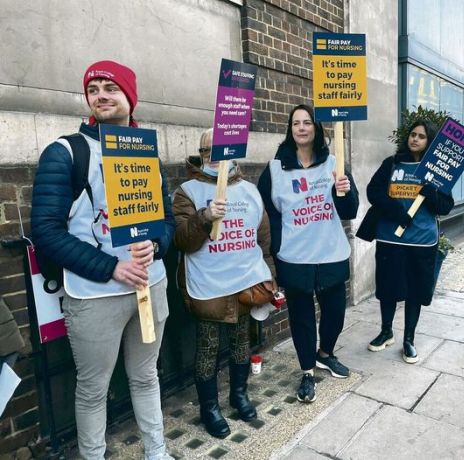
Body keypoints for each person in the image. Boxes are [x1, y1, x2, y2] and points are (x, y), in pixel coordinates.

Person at [31, 60, 175, 459]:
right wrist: (111, 267)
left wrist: (156, 244)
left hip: (150, 285)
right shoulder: (65, 152)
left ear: (130, 96)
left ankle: (157, 452)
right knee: (94, 389)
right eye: (93, 89)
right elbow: (46, 232)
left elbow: (166, 221)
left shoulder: (146, 152)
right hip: (95, 296)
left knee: (146, 376)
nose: (100, 96)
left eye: (111, 88)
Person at [173, 128, 273, 438]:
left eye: (222, 150)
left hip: (244, 285)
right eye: (208, 151)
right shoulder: (187, 192)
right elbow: (182, 241)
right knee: (208, 349)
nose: (216, 157)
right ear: (201, 154)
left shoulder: (249, 190)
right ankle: (209, 408)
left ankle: (239, 394)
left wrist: (270, 277)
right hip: (208, 287)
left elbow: (263, 242)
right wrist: (204, 217)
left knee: (242, 344)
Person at [257, 104, 359, 403]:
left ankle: (325, 354)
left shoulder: (335, 164)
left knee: (335, 314)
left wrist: (344, 190)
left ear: (316, 127)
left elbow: (350, 211)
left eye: (307, 122)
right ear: (290, 129)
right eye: (296, 123)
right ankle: (306, 372)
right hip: (294, 257)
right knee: (301, 318)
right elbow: (267, 215)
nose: (301, 128)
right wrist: (275, 251)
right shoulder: (275, 169)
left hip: (331, 253)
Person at [358, 120, 454, 364]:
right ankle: (386, 331)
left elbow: (445, 206)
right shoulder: (392, 163)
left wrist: (431, 194)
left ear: (429, 141)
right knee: (387, 288)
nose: (415, 139)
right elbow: (373, 191)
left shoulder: (436, 171)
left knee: (415, 291)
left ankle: (409, 339)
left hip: (422, 241)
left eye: (421, 136)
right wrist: (395, 211)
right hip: (390, 238)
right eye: (413, 134)